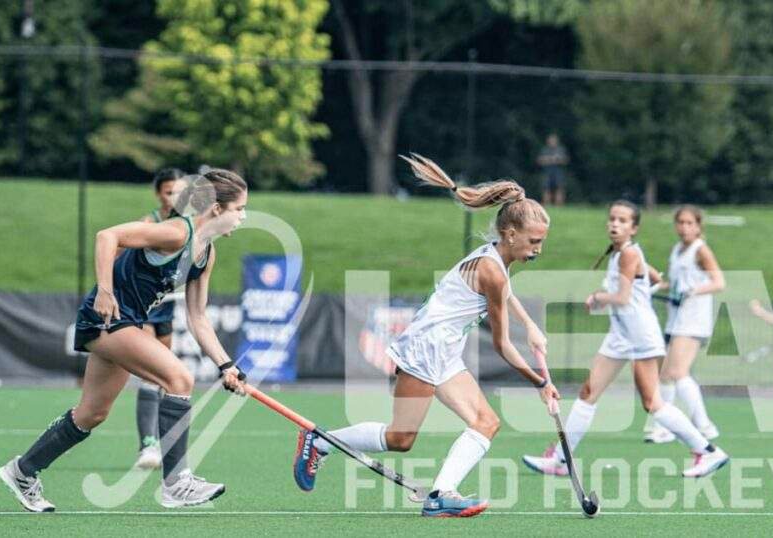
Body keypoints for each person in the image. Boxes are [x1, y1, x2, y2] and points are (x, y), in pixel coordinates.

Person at [293, 154, 559, 518]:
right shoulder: (492, 272)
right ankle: (319, 441)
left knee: (486, 423)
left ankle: (440, 495)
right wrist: (540, 382)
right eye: (534, 240)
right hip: (425, 348)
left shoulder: (495, 260)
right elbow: (501, 345)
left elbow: (507, 296)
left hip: (444, 352)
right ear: (510, 234)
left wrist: (530, 326)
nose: (538, 249)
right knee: (401, 438)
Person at [0, 170, 249, 512]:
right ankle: (176, 483)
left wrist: (226, 365)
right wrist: (104, 288)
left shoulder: (206, 255)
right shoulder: (176, 233)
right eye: (240, 208)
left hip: (128, 321)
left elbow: (198, 318)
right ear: (218, 209)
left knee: (92, 413)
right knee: (179, 378)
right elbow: (107, 236)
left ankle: (22, 471)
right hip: (108, 317)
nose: (244, 216)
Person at [522, 201, 729, 479]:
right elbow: (653, 277)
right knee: (588, 392)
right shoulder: (622, 254)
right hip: (621, 335)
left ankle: (707, 450)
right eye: (612, 219)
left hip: (641, 336)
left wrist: (598, 298)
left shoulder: (629, 254)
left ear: (634, 228)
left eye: (622, 220)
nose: (615, 224)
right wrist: (644, 283)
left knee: (652, 403)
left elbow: (622, 297)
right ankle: (561, 459)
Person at [645, 205, 725, 444]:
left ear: (698, 226)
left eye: (690, 223)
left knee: (675, 373)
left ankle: (702, 426)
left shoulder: (701, 250)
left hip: (694, 320)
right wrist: (659, 286)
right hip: (676, 319)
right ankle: (672, 427)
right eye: (680, 222)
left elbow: (719, 282)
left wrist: (694, 290)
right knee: (668, 375)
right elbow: (678, 283)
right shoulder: (677, 250)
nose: (684, 227)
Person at [134, 168, 187, 471]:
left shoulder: (186, 227)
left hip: (165, 307)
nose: (173, 198)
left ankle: (162, 443)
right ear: (158, 194)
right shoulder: (148, 223)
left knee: (166, 377)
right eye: (168, 192)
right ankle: (148, 445)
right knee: (153, 374)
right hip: (142, 308)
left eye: (179, 192)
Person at [536, 133, 569, 206]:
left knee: (559, 189)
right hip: (547, 173)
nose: (552, 142)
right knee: (546, 189)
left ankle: (559, 205)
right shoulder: (544, 150)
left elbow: (565, 160)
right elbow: (539, 161)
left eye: (553, 140)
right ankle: (547, 204)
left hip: (558, 172)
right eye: (551, 140)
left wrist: (554, 160)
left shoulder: (560, 149)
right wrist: (552, 159)